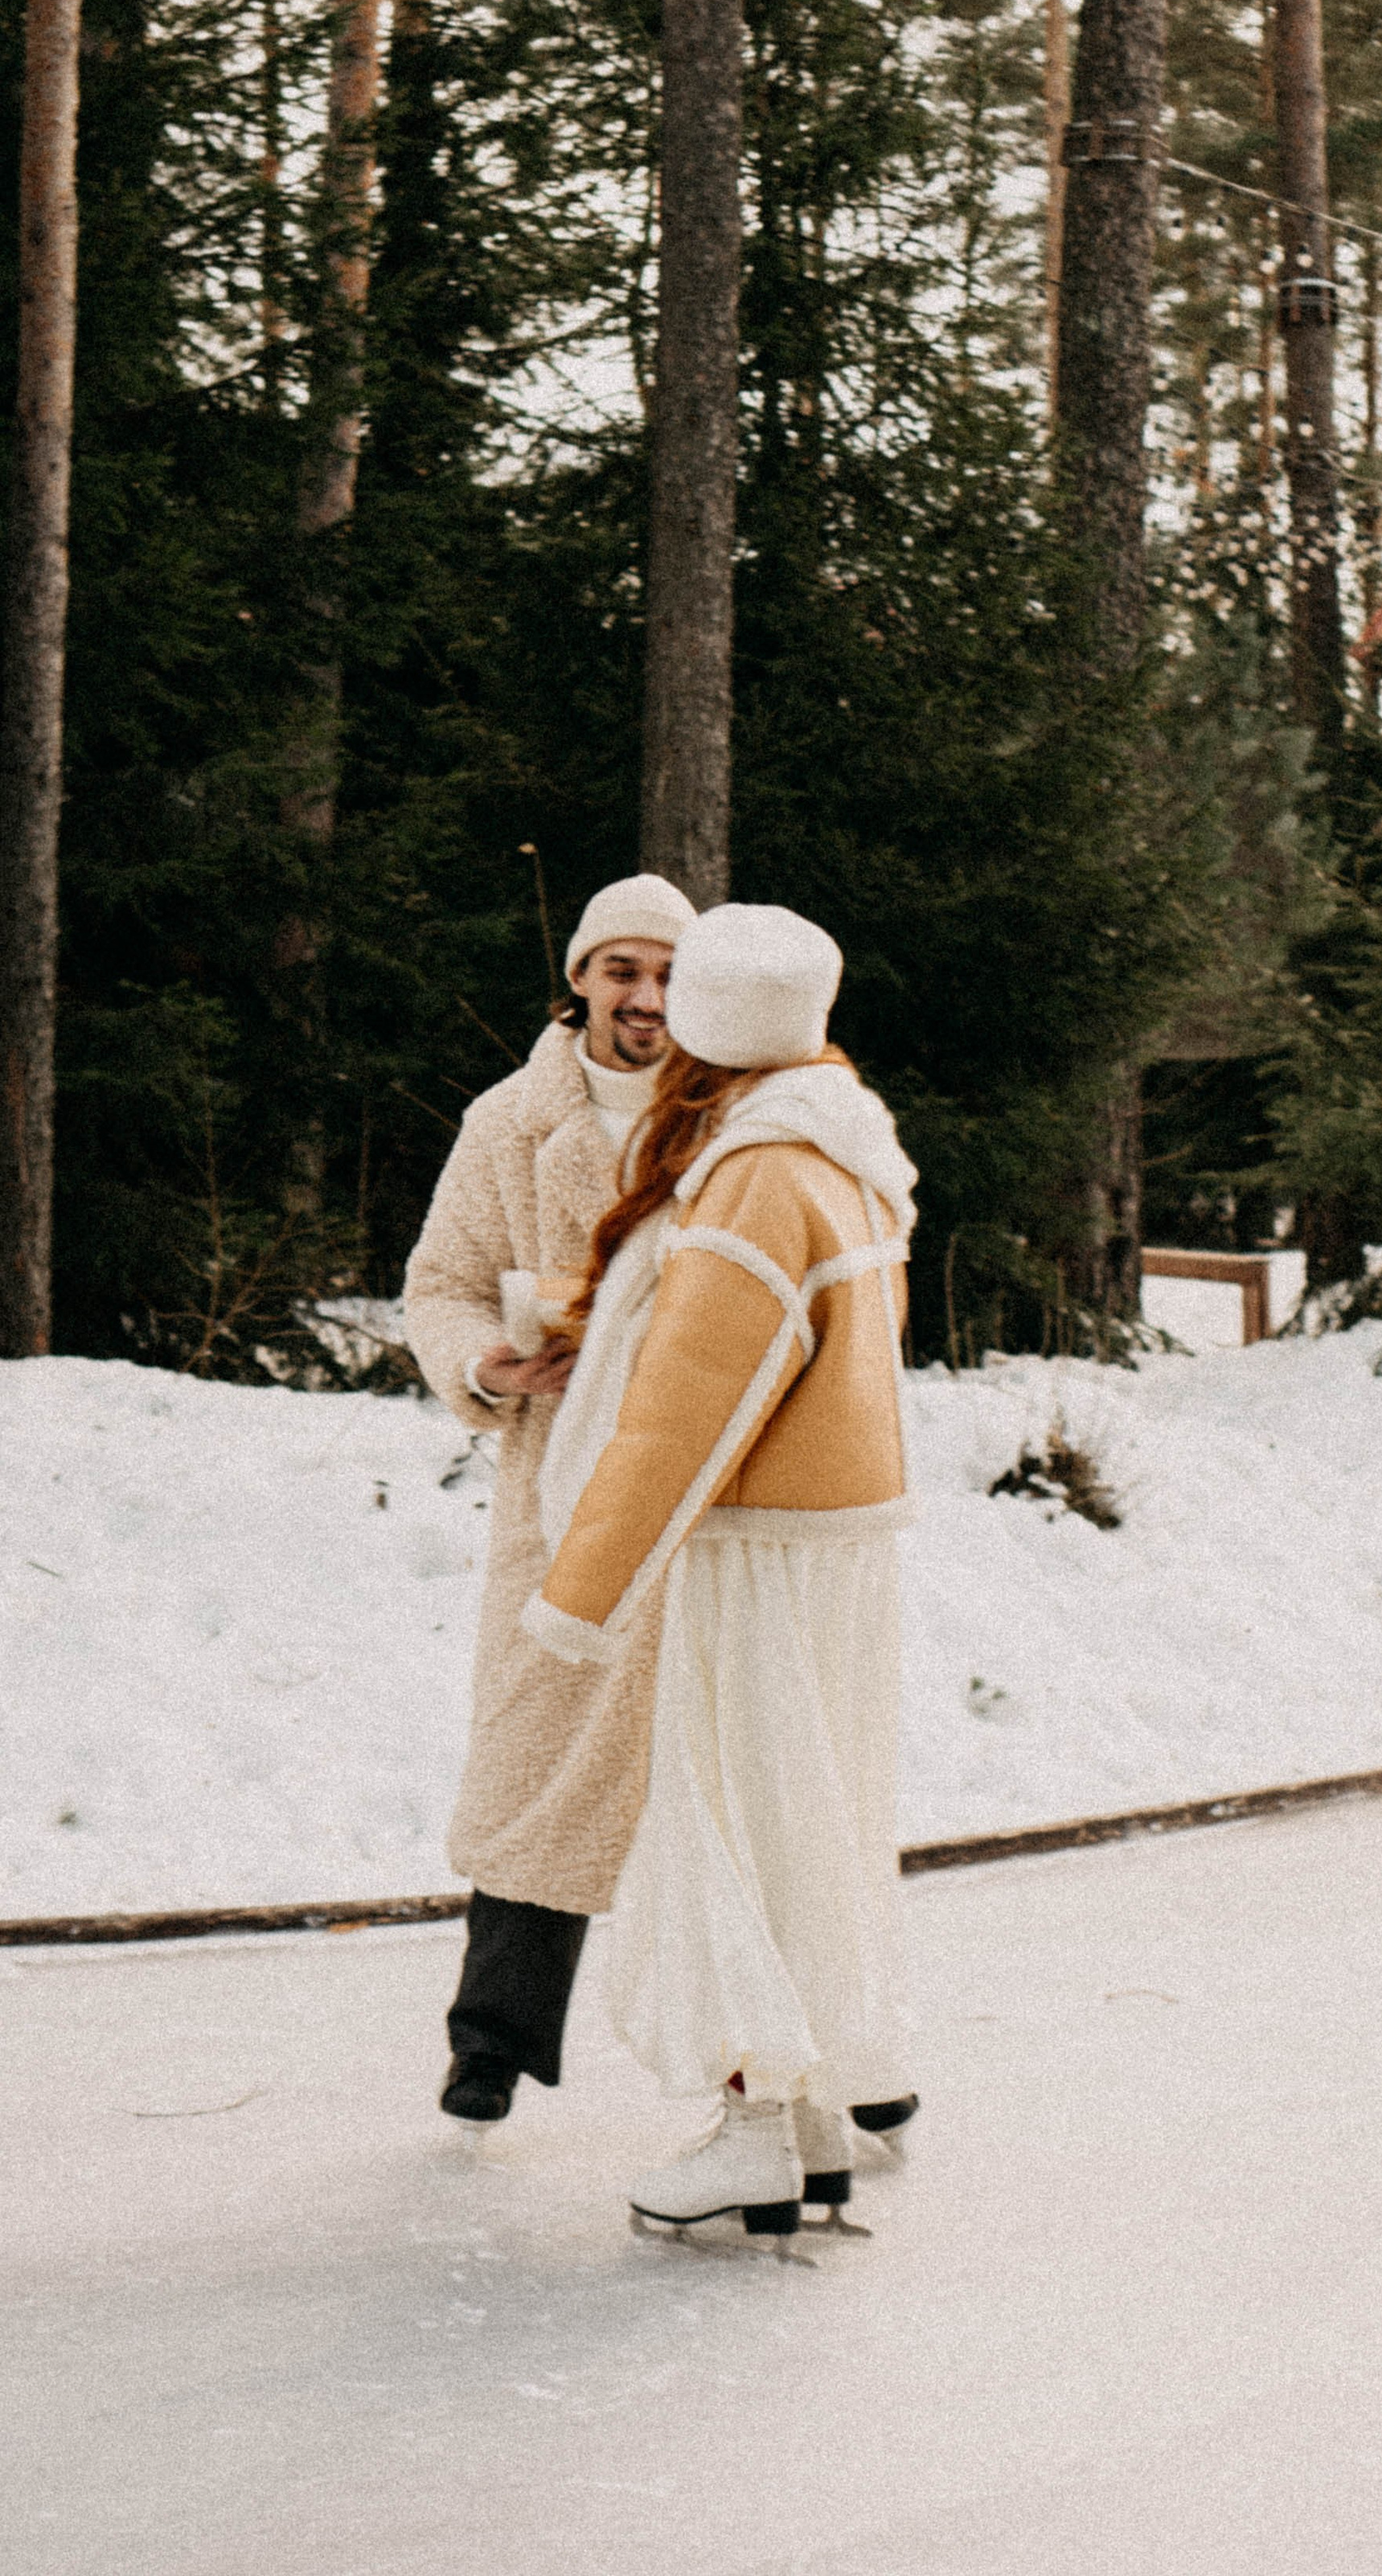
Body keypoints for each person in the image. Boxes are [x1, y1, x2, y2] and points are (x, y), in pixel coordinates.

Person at [524, 902, 919, 2243]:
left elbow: (686, 1411)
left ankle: (757, 2128)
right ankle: (807, 2121)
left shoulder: (758, 1175)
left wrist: (576, 1597)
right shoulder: (847, 1147)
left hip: (756, 1562)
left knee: (729, 1835)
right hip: (839, 1554)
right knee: (806, 1831)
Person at [404, 871, 695, 2120]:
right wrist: (487, 1363)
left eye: (672, 974)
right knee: (540, 1753)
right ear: (579, 978)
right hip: (561, 1477)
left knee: (732, 1764)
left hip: (702, 1481)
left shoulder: (733, 1116)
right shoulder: (507, 1122)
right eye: (623, 970)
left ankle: (805, 2046)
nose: (646, 998)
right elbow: (443, 1281)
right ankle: (493, 2039)